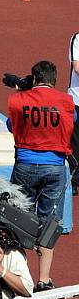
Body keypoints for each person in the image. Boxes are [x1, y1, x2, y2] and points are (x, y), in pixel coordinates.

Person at [6, 60, 74, 293]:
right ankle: (44, 278)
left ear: (34, 79)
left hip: (25, 165)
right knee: (50, 223)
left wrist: (24, 93)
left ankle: (15, 275)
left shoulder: (18, 100)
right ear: (54, 80)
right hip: (55, 168)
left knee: (18, 218)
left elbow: (10, 125)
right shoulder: (66, 102)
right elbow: (72, 121)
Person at [66, 32, 79, 196]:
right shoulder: (77, 38)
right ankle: (75, 181)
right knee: (75, 142)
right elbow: (77, 67)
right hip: (77, 100)